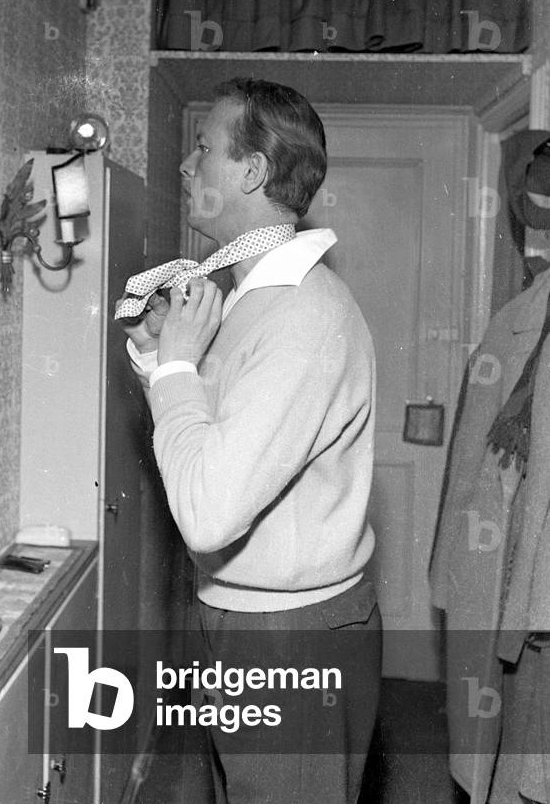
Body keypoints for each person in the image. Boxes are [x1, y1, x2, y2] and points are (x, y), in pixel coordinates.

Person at [116, 77, 381, 804]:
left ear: (253, 171)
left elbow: (207, 508)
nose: (184, 165)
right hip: (247, 616)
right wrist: (158, 356)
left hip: (287, 637)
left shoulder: (300, 315)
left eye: (202, 149)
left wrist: (175, 366)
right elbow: (219, 439)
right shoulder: (253, 299)